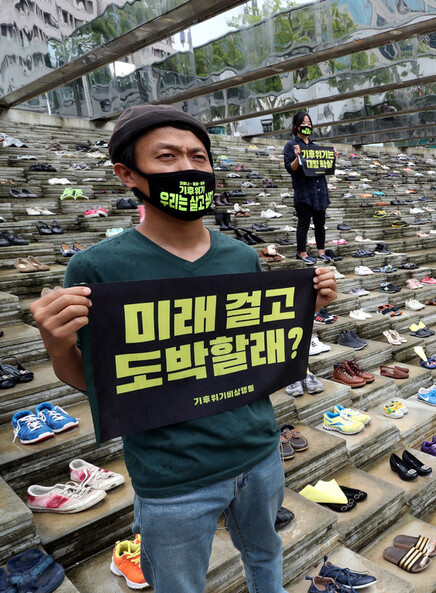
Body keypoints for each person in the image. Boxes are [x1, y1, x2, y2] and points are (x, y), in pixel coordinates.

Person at [29, 104, 338, 593]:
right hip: (173, 476)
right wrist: (56, 343)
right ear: (127, 174)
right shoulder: (96, 269)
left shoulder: (240, 255)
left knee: (266, 555)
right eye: (167, 157)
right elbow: (96, 380)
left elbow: (254, 348)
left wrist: (306, 306)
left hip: (259, 452)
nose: (188, 168)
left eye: (199, 156)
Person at [283, 112, 333, 265]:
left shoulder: (315, 147)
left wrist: (333, 157)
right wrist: (297, 156)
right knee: (303, 223)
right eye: (304, 123)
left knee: (320, 223)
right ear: (296, 126)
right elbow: (290, 168)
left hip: (319, 190)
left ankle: (321, 251)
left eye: (309, 123)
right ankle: (302, 252)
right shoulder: (291, 145)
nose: (307, 126)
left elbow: (325, 168)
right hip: (303, 190)